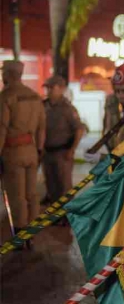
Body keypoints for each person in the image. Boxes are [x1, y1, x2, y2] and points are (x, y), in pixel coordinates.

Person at [0, 60, 46, 244]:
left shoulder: (6, 97)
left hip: (12, 151)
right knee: (31, 192)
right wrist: (40, 149)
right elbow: (42, 128)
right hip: (31, 150)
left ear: (8, 75)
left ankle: (20, 233)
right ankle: (33, 230)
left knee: (16, 193)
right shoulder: (34, 96)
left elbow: (1, 128)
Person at [41, 75, 84, 205]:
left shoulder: (68, 109)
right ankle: (55, 216)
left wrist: (72, 150)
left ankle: (66, 216)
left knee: (64, 187)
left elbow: (79, 129)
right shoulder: (43, 106)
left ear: (61, 89)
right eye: (47, 88)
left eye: (51, 87)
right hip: (47, 152)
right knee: (51, 186)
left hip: (62, 152)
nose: (48, 91)